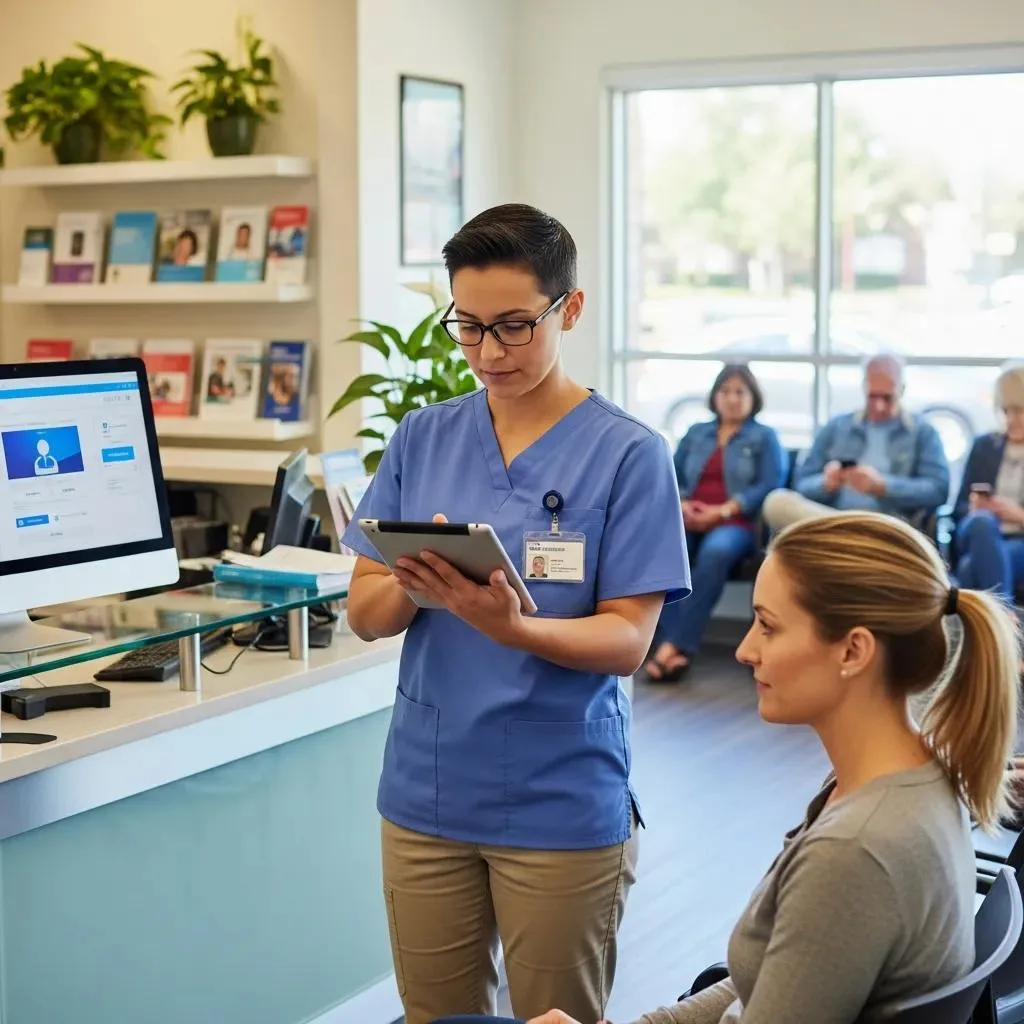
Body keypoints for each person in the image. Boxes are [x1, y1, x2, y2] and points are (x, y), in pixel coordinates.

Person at [341, 203, 691, 1024]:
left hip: (559, 799)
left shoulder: (629, 455)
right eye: (468, 327)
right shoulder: (422, 438)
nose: (489, 353)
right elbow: (365, 612)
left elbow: (627, 640)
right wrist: (415, 584)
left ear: (568, 309)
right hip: (427, 794)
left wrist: (512, 628)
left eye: (513, 327)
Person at [529, 511, 1020, 1024]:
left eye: (768, 626)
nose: (744, 650)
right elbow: (764, 983)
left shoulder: (856, 851)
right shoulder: (908, 777)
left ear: (854, 650)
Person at [644, 364, 786, 682]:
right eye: (725, 391)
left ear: (753, 397)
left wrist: (722, 511)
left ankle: (674, 645)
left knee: (715, 554)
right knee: (661, 548)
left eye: (740, 392)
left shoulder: (765, 437)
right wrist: (681, 504)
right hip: (690, 517)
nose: (732, 399)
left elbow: (769, 485)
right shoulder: (697, 433)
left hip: (737, 523)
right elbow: (670, 474)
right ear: (714, 396)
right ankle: (673, 645)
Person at [762, 353, 949, 531]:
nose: (879, 406)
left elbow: (939, 490)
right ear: (864, 388)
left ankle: (850, 540)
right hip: (832, 519)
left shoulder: (923, 432)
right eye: (872, 396)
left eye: (887, 397)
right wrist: (826, 484)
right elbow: (801, 484)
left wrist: (883, 486)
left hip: (887, 525)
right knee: (777, 502)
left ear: (901, 390)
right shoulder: (837, 427)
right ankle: (850, 538)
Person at [950, 361, 1024, 603]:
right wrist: (975, 508)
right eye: (1006, 411)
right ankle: (1006, 618)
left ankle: (993, 624)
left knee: (970, 569)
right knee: (981, 522)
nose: (1011, 419)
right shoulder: (984, 447)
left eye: (1019, 411)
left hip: (1019, 540)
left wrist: (1018, 516)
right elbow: (957, 510)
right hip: (977, 531)